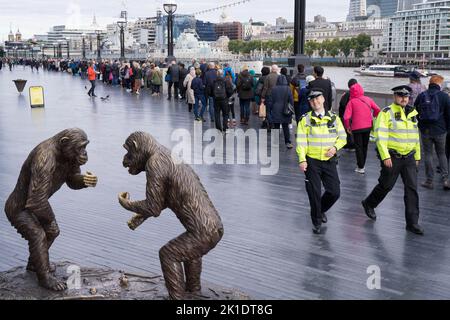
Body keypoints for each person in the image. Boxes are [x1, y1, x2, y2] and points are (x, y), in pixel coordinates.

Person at [362, 86, 424, 235]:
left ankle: (412, 223)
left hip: (409, 157)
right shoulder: (386, 113)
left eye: (406, 95)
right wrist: (385, 156)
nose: (403, 98)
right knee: (386, 186)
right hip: (393, 157)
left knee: (412, 189)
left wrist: (417, 156)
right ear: (394, 97)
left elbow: (416, 137)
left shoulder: (413, 113)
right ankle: (369, 203)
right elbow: (380, 137)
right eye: (400, 95)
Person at [297, 88, 347, 234]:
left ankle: (321, 210)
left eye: (317, 98)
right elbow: (301, 142)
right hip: (311, 161)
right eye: (312, 100)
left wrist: (335, 148)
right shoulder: (305, 119)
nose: (315, 102)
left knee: (334, 192)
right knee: (314, 192)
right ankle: (316, 221)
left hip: (329, 160)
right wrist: (302, 159)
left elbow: (343, 138)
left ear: (324, 99)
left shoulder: (334, 118)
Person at [414, 75, 450, 190]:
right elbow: (448, 115)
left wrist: (421, 123)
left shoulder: (422, 95)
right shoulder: (444, 96)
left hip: (425, 130)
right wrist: (447, 128)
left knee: (428, 154)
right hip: (440, 130)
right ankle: (445, 180)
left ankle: (429, 181)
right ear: (439, 84)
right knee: (441, 154)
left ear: (430, 83)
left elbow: (415, 111)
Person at [343, 83, 381, 174]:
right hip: (367, 127)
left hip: (356, 128)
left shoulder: (351, 102)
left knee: (358, 147)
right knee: (365, 146)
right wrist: (374, 116)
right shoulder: (368, 99)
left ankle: (360, 167)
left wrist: (348, 127)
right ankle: (362, 164)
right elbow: (378, 109)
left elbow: (346, 117)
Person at [267, 75, 294, 149]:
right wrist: (291, 109)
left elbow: (270, 101)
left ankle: (275, 142)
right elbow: (291, 100)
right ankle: (288, 142)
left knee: (276, 127)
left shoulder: (273, 88)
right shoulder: (288, 88)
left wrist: (269, 110)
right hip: (285, 110)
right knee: (285, 127)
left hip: (276, 109)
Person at [339, 79, 358, 151]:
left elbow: (342, 104)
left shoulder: (347, 94)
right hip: (354, 116)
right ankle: (353, 145)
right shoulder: (358, 94)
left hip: (347, 116)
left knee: (348, 130)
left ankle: (350, 145)